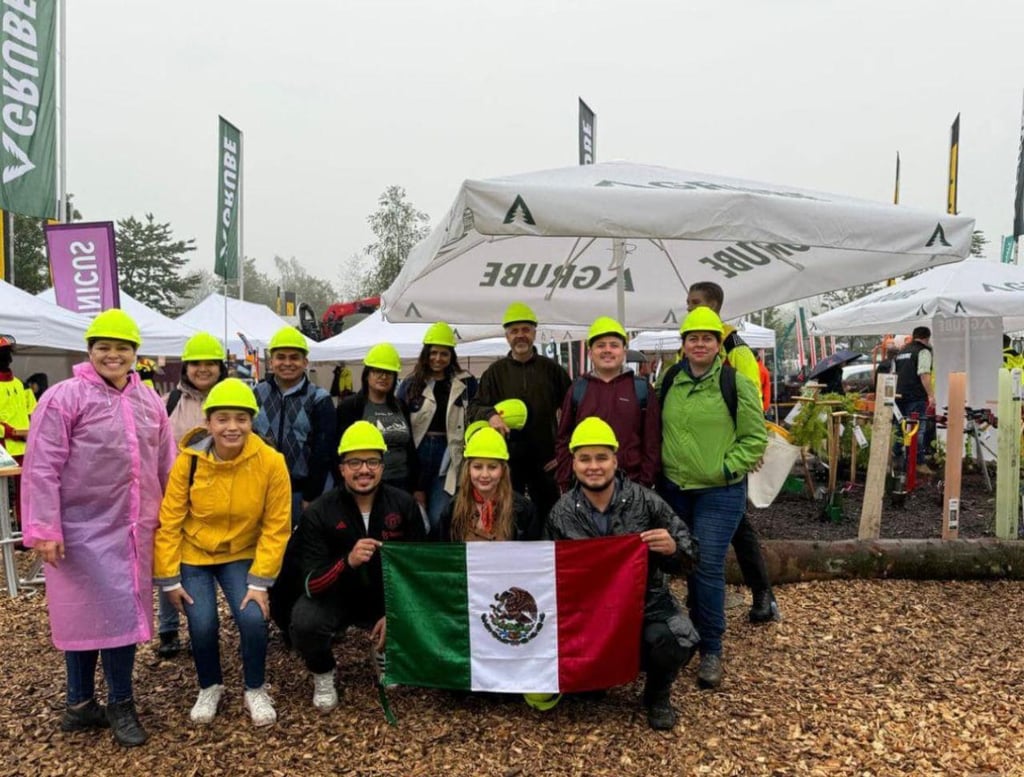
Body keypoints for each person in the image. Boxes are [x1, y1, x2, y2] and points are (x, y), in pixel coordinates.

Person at [20, 309, 176, 747]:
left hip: (132, 529)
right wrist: (44, 527)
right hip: (78, 529)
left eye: (122, 348)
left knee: (121, 614)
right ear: (90, 351)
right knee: (84, 618)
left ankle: (117, 701)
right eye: (103, 347)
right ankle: (82, 704)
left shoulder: (148, 401)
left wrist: (174, 516)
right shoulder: (64, 397)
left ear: (134, 354)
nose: (113, 355)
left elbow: (168, 461)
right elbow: (42, 464)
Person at [545, 417, 699, 730]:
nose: (594, 466)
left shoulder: (647, 502)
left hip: (645, 606)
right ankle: (594, 676)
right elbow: (547, 574)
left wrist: (674, 549)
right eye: (584, 459)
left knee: (675, 637)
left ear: (615, 460)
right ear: (573, 463)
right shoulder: (560, 513)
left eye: (601, 457)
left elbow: (691, 555)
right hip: (586, 613)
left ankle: (657, 694)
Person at [154, 378, 291, 727]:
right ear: (208, 422)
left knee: (253, 617)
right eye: (223, 418)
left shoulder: (271, 463)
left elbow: (277, 526)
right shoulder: (190, 461)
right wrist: (168, 578)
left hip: (241, 551)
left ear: (252, 421)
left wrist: (260, 581)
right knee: (202, 623)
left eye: (241, 418)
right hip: (194, 552)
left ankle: (255, 688)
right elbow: (170, 519)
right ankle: (209, 685)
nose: (232, 427)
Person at [277, 421, 425, 711]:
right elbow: (310, 582)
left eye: (372, 461)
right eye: (354, 462)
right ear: (342, 468)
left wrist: (395, 613)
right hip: (336, 595)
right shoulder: (320, 511)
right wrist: (347, 562)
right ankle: (323, 671)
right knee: (305, 622)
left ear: (383, 467)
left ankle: (385, 651)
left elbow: (418, 568)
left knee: (419, 608)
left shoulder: (404, 504)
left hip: (384, 595)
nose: (364, 470)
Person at [658, 306, 767, 691]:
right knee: (683, 563)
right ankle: (692, 628)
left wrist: (725, 468)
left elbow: (755, 438)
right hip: (675, 489)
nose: (699, 343)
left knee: (705, 563)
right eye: (693, 338)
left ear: (719, 344)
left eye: (707, 337)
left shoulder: (735, 382)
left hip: (719, 491)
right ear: (683, 345)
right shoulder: (670, 378)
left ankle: (712, 648)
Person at [685, 281, 780, 623]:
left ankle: (761, 594)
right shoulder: (694, 344)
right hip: (699, 457)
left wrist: (744, 451)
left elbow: (752, 400)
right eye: (688, 303)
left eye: (695, 303)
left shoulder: (735, 349)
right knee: (737, 527)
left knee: (739, 527)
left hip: (724, 458)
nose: (689, 308)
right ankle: (758, 594)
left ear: (713, 307)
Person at [156, 331, 230, 659]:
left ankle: (207, 624)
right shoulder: (170, 402)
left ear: (220, 366)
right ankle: (168, 627)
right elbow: (156, 446)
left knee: (213, 559)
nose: (203, 369)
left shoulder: (233, 398)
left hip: (221, 496)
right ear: (186, 367)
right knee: (170, 557)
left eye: (210, 363)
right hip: (178, 494)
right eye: (196, 363)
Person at [470, 302, 572, 524]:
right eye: (514, 331)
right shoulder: (494, 373)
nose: (520, 336)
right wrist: (490, 415)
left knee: (549, 519)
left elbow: (574, 410)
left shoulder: (552, 370)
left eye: (525, 330)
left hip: (546, 463)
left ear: (534, 333)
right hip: (507, 464)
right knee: (509, 519)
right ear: (507, 336)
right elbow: (474, 407)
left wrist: (562, 454)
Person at [555, 316, 661, 491]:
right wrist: (565, 484)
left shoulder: (641, 389)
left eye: (614, 345)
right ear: (590, 353)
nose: (607, 350)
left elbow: (652, 442)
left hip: (632, 485)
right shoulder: (578, 390)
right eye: (600, 345)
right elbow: (564, 439)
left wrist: (644, 484)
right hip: (586, 487)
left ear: (624, 352)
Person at [397, 322, 478, 536]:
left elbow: (476, 415)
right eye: (433, 353)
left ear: (452, 355)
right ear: (426, 354)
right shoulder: (410, 384)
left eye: (444, 353)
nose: (438, 358)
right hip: (417, 454)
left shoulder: (466, 384)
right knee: (413, 517)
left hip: (449, 455)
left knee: (439, 516)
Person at [253, 326, 336, 526]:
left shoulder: (319, 398)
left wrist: (312, 495)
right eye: (281, 357)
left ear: (305, 362)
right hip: (260, 490)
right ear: (271, 361)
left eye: (294, 357)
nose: (287, 363)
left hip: (301, 492)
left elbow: (324, 451)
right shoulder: (255, 394)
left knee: (299, 549)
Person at [336, 342, 419, 494]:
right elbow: (339, 450)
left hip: (402, 482)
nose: (383, 377)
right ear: (367, 375)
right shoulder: (350, 407)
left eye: (389, 373)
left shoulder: (400, 405)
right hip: (365, 483)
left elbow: (410, 448)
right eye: (377, 371)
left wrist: (417, 487)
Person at [438, 424, 539, 542]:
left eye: (492, 467)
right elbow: (444, 555)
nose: (485, 474)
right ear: (468, 470)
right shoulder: (452, 510)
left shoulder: (524, 511)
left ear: (503, 470)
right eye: (477, 467)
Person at [894, 326, 935, 474]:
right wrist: (930, 395)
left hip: (899, 397)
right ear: (927, 338)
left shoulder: (901, 352)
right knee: (917, 430)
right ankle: (918, 463)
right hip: (916, 397)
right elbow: (924, 374)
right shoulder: (923, 351)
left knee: (900, 430)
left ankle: (897, 461)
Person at [0, 334, 35, 464]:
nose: (7, 358)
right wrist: (12, 433)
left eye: (7, 353)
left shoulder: (21, 385)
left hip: (27, 448)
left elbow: (35, 413)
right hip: (4, 450)